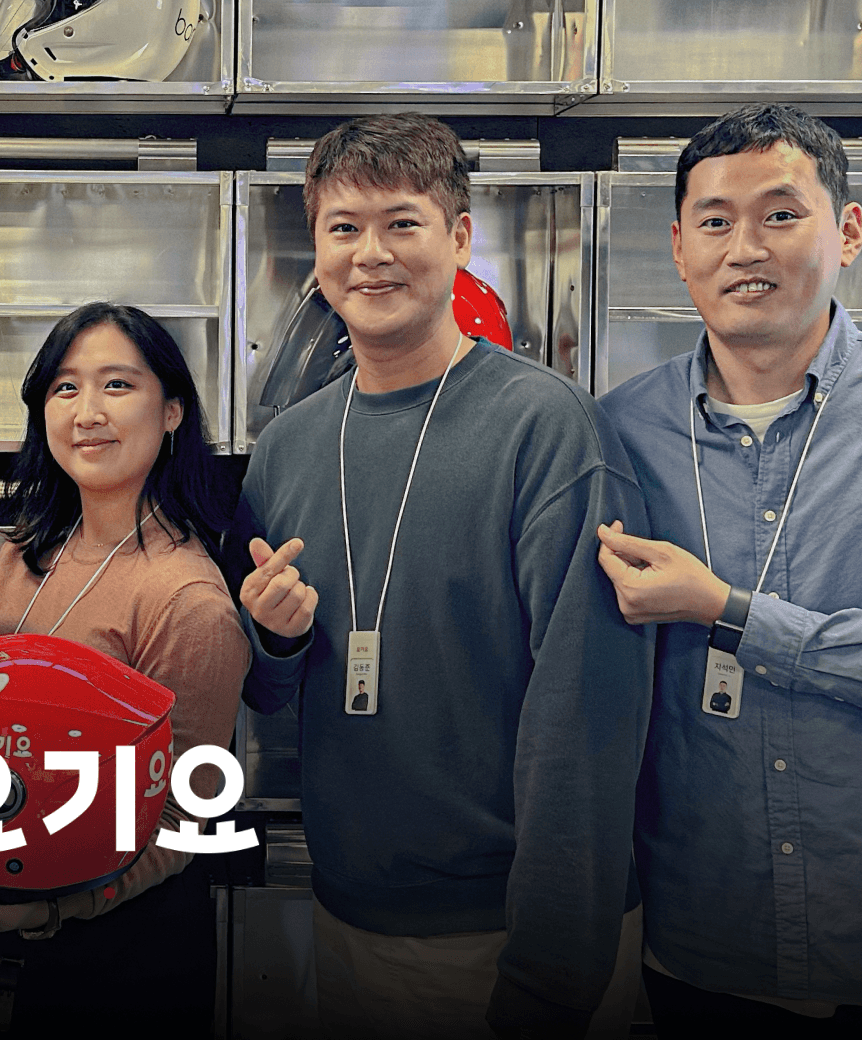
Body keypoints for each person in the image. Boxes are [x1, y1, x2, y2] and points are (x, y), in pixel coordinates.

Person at [231, 114, 654, 1040]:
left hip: (512, 933)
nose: (370, 254)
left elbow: (588, 712)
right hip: (351, 914)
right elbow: (267, 696)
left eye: (402, 223)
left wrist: (552, 974)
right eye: (344, 228)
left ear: (459, 238)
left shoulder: (548, 427)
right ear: (317, 249)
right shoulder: (289, 447)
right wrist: (275, 639)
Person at [596, 102, 862, 1039]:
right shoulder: (619, 430)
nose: (745, 248)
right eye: (715, 221)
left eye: (781, 214)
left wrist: (728, 610)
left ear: (848, 231)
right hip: (697, 933)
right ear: (679, 247)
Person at [0, 302, 250, 1038]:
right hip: (0, 906)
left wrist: (49, 913)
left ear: (172, 411)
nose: (87, 413)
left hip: (125, 947)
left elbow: (183, 817)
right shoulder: (22, 553)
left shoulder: (187, 598)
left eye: (118, 385)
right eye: (65, 388)